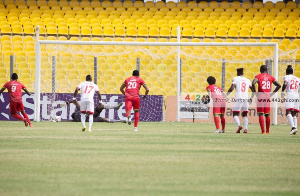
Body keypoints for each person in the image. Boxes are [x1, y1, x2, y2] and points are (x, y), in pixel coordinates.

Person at [252, 65, 281, 134]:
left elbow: (253, 83)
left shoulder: (258, 76)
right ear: (266, 70)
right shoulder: (270, 77)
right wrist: (272, 93)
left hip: (261, 96)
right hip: (267, 97)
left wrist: (255, 92)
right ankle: (268, 131)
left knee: (261, 114)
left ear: (260, 69)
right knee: (267, 114)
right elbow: (279, 85)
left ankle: (263, 131)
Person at [227, 68, 255, 134]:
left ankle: (239, 126)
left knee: (235, 114)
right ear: (243, 73)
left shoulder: (235, 79)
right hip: (246, 98)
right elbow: (253, 90)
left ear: (237, 73)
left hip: (239, 98)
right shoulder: (247, 80)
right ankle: (245, 129)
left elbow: (231, 88)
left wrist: (226, 94)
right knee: (244, 115)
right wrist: (251, 98)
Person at [281, 65, 300, 135]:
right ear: (292, 72)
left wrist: (282, 91)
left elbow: (285, 84)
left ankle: (293, 128)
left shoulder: (286, 77)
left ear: (286, 72)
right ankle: (295, 128)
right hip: (297, 95)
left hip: (290, 95)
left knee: (288, 112)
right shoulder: (298, 78)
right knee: (294, 113)